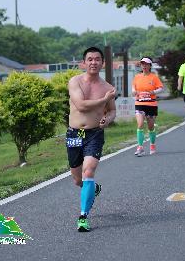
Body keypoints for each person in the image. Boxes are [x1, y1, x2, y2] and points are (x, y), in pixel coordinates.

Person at [67, 46, 116, 232]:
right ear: (84, 62)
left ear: (102, 63)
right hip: (74, 134)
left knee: (89, 172)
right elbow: (80, 105)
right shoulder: (75, 81)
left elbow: (112, 111)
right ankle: (92, 189)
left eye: (97, 59)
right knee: (77, 180)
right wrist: (104, 100)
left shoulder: (108, 88)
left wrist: (107, 120)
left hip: (94, 134)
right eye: (90, 59)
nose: (94, 62)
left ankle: (83, 217)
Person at [132, 57, 163, 156]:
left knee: (150, 127)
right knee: (140, 124)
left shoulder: (154, 77)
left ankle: (152, 144)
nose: (144, 66)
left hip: (151, 104)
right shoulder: (137, 77)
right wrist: (133, 92)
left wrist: (153, 92)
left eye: (146, 64)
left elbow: (161, 88)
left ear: (150, 66)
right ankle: (140, 147)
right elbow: (133, 88)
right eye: (142, 64)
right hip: (140, 103)